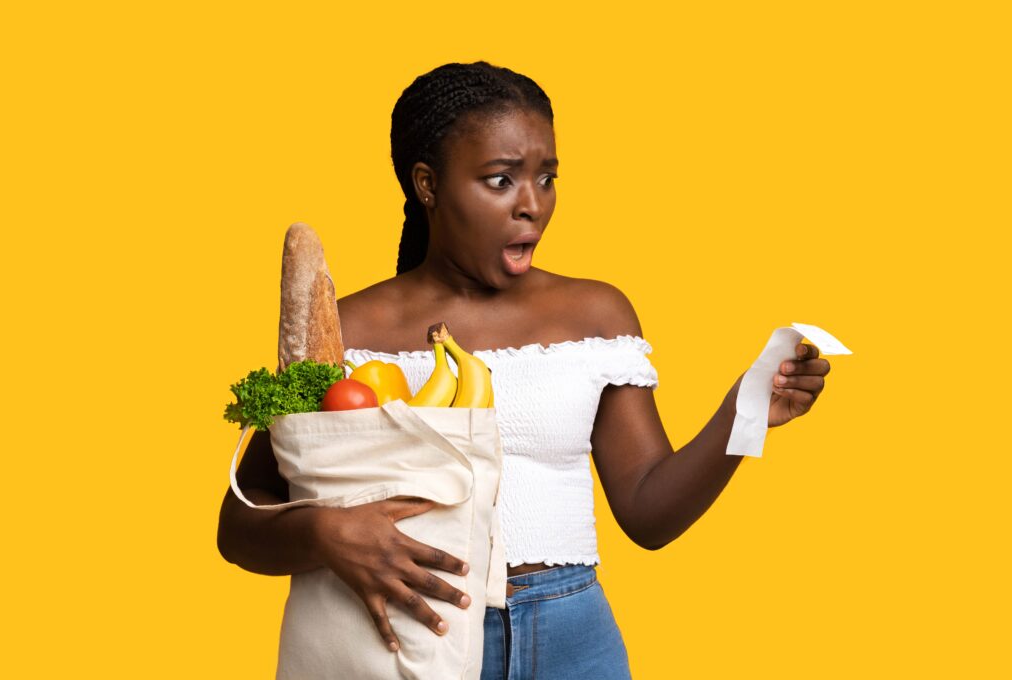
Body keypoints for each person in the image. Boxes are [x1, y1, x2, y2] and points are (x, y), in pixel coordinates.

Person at [217, 61, 831, 679]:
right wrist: (324, 533)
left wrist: (746, 410)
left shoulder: (595, 313)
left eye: (547, 177)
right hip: (409, 634)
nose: (531, 205)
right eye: (500, 180)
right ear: (427, 185)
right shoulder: (344, 334)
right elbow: (239, 522)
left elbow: (648, 514)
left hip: (573, 639)